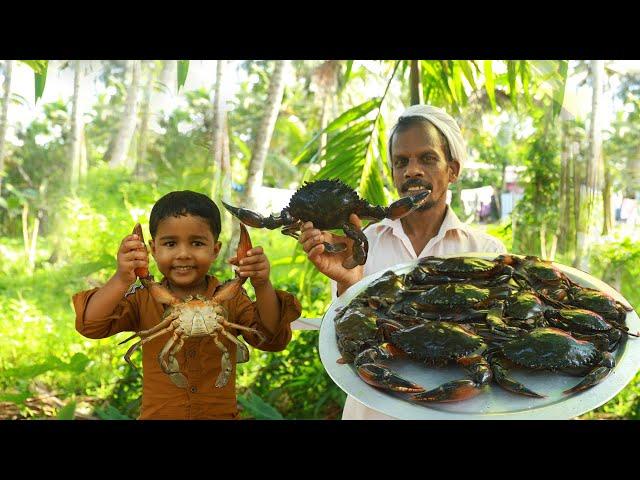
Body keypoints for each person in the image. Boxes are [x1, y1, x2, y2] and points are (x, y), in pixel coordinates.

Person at [299, 104, 507, 419]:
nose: (412, 170)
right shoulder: (360, 245)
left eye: (427, 158)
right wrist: (348, 283)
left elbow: (496, 342)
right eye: (401, 161)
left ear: (452, 170)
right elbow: (344, 339)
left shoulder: (486, 253)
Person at [73, 190, 302, 419]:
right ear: (153, 250)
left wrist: (261, 284)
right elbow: (92, 325)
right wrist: (122, 278)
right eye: (170, 243)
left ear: (215, 250)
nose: (183, 254)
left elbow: (271, 337)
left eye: (197, 243)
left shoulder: (232, 297)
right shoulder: (143, 297)